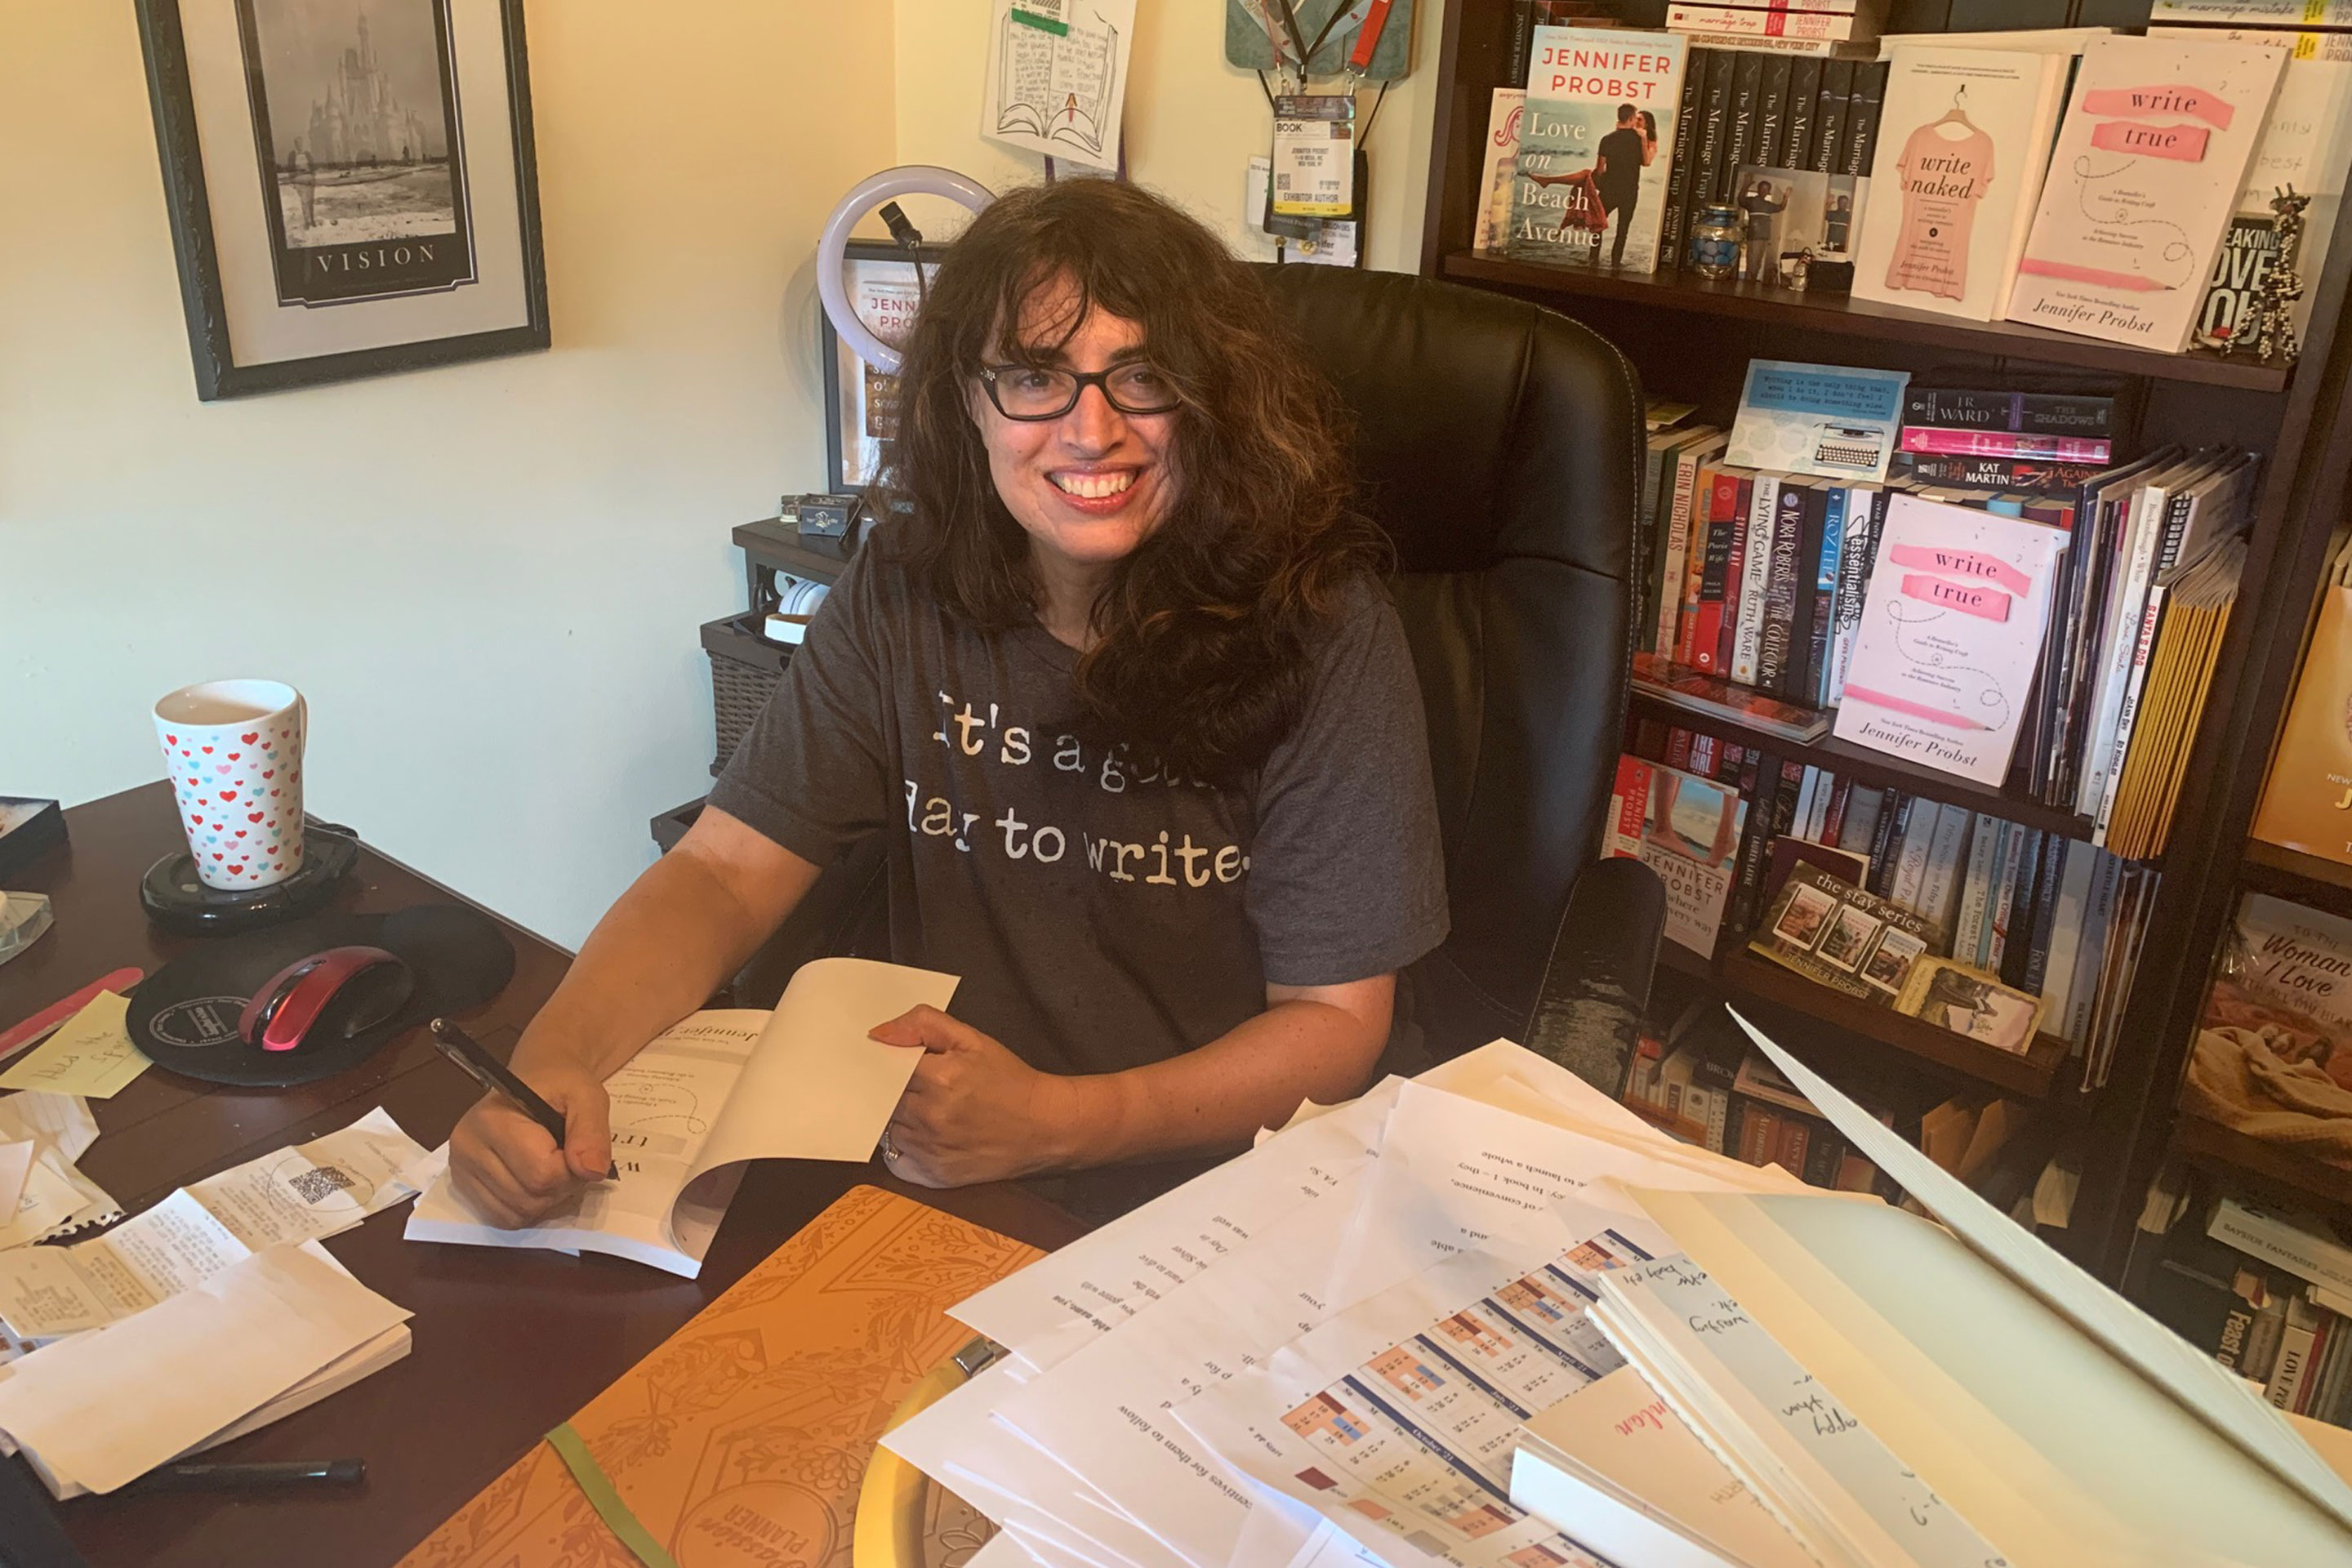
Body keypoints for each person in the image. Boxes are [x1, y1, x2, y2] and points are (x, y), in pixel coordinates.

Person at [448, 180, 1449, 1227]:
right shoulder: (903, 588)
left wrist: (1061, 1121)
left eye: (1144, 375)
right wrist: (554, 1061)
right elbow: (724, 868)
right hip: (935, 1156)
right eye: (1034, 377)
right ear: (967, 400)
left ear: (1211, 399)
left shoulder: (1325, 628)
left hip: (1204, 1182)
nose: (1091, 429)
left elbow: (1336, 1023)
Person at [1594, 103, 1655, 268]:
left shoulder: (1607, 139)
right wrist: (1642, 139)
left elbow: (1599, 169)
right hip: (1629, 191)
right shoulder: (1638, 140)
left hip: (1609, 189)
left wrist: (1599, 185)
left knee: (1597, 225)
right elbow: (1645, 162)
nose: (1636, 120)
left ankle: (1593, 258)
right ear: (1630, 118)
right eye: (1635, 117)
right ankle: (1615, 263)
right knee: (1623, 230)